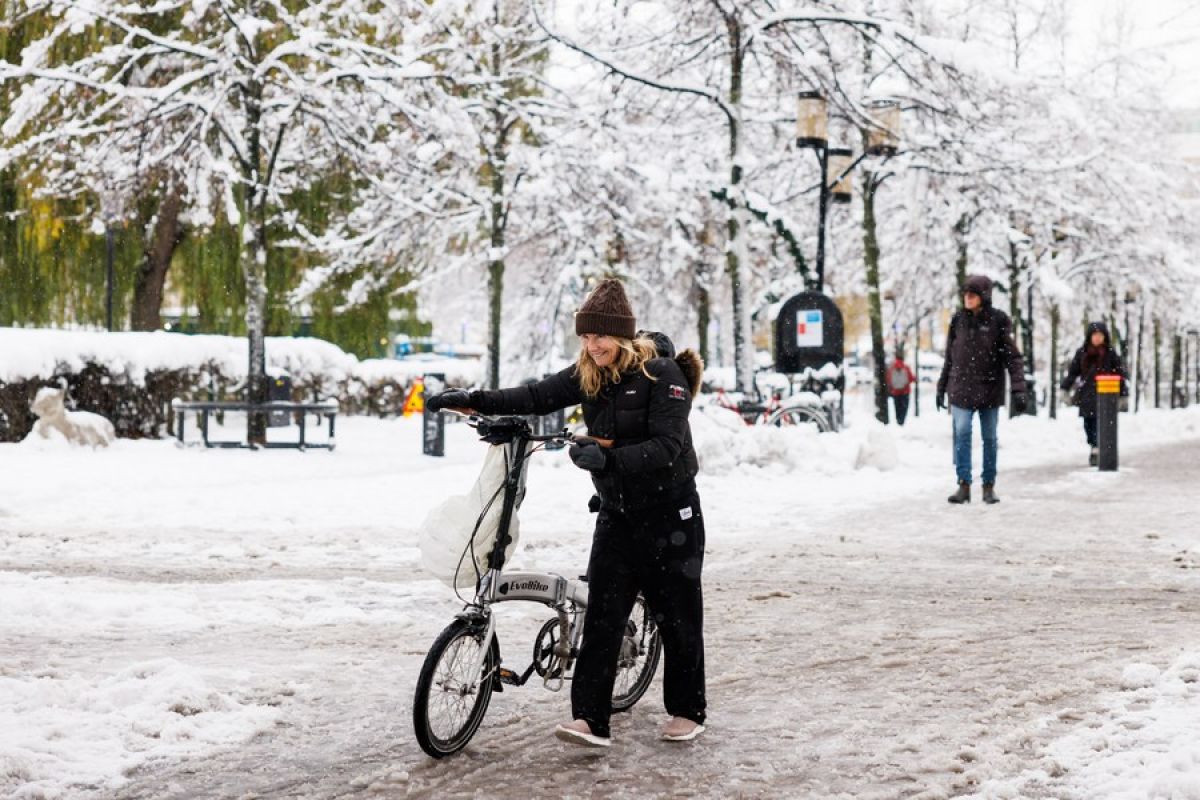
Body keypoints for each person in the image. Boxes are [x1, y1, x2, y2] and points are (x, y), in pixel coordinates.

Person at [425, 278, 707, 748]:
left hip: (670, 514)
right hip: (618, 514)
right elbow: (535, 397)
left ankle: (687, 709)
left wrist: (609, 458)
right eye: (585, 337)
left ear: (622, 336)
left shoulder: (663, 376)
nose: (592, 346)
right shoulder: (589, 375)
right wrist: (472, 399)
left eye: (600, 337)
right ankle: (590, 719)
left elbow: (666, 446)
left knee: (678, 616)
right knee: (601, 615)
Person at [935, 275, 1027, 505]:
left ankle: (988, 486)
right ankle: (963, 485)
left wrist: (1018, 388)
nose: (968, 298)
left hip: (989, 388)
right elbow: (950, 357)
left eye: (973, 294)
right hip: (961, 388)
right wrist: (941, 386)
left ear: (983, 297)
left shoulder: (998, 321)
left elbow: (1012, 357)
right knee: (962, 433)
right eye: (965, 293)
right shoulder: (957, 321)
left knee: (989, 438)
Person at [1060, 321, 1127, 466]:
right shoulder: (1082, 353)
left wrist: (1123, 394)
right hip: (1087, 395)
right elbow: (1073, 373)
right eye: (1094, 335)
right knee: (1088, 423)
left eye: (1100, 335)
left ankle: (1098, 449)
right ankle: (1093, 445)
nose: (1097, 338)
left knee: (1101, 423)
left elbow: (1120, 374)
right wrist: (1064, 388)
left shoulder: (1110, 353)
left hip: (1106, 395)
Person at [886, 349, 916, 426]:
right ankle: (902, 421)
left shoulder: (892, 368)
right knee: (904, 408)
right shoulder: (906, 367)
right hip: (905, 392)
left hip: (895, 392)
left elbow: (888, 380)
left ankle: (898, 421)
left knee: (897, 407)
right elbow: (911, 378)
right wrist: (914, 378)